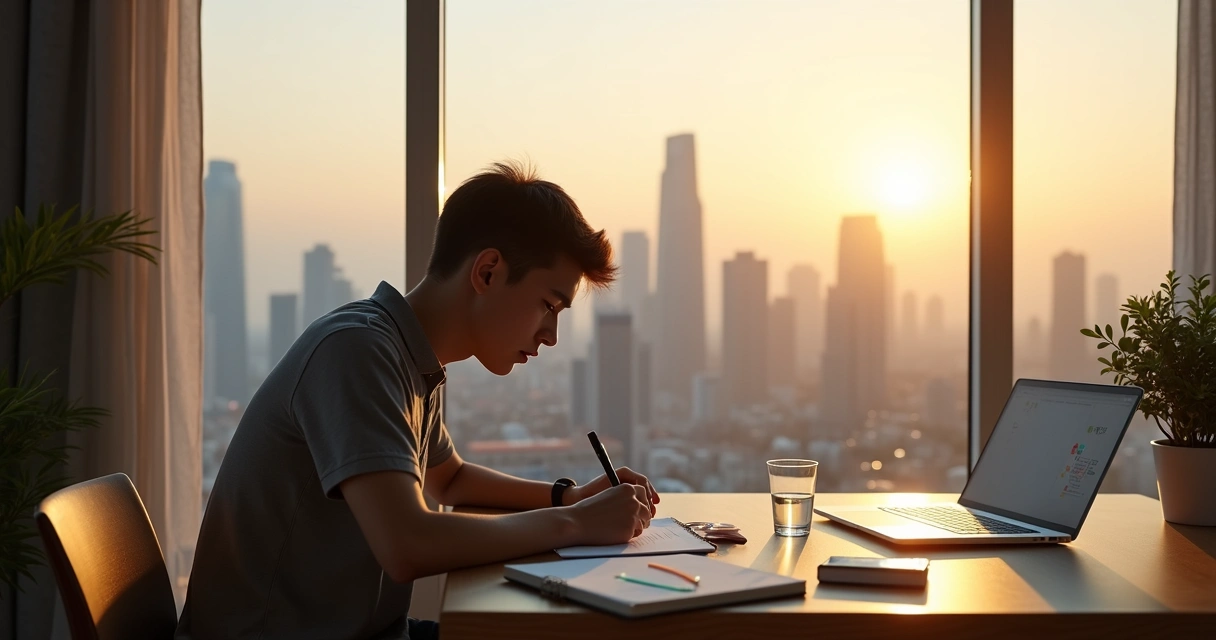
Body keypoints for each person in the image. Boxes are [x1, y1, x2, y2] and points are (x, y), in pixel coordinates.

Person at [177, 162, 659, 640]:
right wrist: (574, 522)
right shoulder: (358, 351)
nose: (551, 335)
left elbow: (450, 480)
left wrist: (569, 497)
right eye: (549, 306)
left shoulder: (406, 357)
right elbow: (407, 543)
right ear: (488, 272)